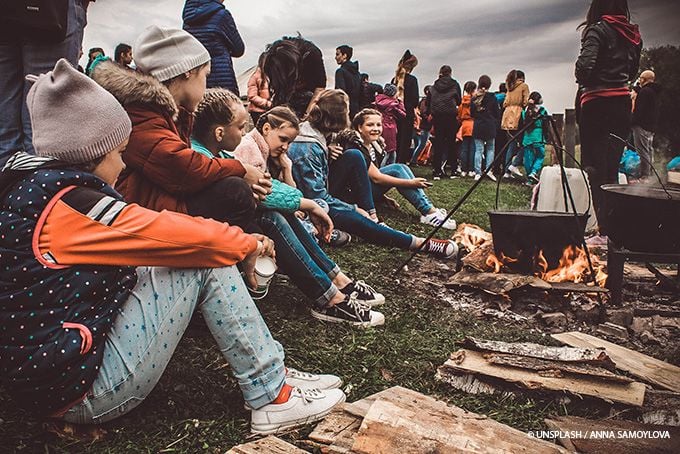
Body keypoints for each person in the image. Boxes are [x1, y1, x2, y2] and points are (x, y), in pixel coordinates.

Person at [0, 58, 345, 434]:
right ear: (92, 154)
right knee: (203, 259)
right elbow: (169, 235)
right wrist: (244, 244)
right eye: (119, 154)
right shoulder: (75, 206)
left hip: (54, 371)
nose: (121, 166)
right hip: (82, 391)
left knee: (196, 252)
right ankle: (271, 392)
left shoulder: (41, 190)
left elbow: (159, 231)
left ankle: (271, 370)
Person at [186, 101, 384, 326]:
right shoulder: (214, 154)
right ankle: (331, 297)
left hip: (223, 226)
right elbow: (262, 192)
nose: (245, 133)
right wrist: (309, 205)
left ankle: (336, 282)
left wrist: (304, 199)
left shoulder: (219, 153)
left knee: (280, 214)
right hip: (212, 234)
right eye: (241, 127)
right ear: (220, 132)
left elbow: (268, 187)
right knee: (273, 218)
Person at [92, 26, 270, 233]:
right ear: (188, 72)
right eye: (205, 75)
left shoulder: (163, 112)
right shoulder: (140, 113)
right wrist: (241, 170)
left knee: (240, 196)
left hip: (155, 204)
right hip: (142, 214)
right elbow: (183, 169)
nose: (206, 84)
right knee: (234, 191)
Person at [288, 89, 459, 259]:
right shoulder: (307, 149)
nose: (349, 114)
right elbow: (317, 198)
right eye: (347, 112)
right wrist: (354, 209)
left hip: (324, 192)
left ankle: (375, 216)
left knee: (357, 158)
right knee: (360, 222)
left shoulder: (322, 134)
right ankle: (420, 243)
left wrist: (327, 149)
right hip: (313, 204)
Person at [575, 0, 641, 240]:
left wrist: (585, 78)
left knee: (593, 166)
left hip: (597, 103)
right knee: (611, 169)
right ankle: (611, 230)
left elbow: (584, 68)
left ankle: (603, 230)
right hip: (622, 105)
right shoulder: (632, 34)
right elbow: (633, 71)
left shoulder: (597, 30)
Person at [0, 0, 89, 165]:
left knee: (4, 133)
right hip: (53, 10)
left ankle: (8, 185)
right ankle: (38, 186)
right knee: (44, 134)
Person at [339, 108, 456, 230]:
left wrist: (382, 198)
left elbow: (366, 178)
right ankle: (429, 212)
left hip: (363, 191)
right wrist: (410, 183)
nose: (375, 128)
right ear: (359, 127)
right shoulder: (355, 145)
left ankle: (429, 210)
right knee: (396, 170)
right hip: (352, 196)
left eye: (379, 124)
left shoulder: (374, 145)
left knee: (401, 167)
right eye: (370, 125)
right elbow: (376, 178)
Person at [182, 0, 245, 95]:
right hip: (222, 82)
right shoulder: (222, 15)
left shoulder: (188, 19)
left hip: (197, 83)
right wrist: (223, 50)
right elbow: (239, 50)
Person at [263, 35, 327, 118]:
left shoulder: (312, 54)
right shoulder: (273, 56)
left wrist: (306, 116)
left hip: (309, 98)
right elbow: (277, 90)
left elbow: (320, 87)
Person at [429, 65, 462, 180]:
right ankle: (453, 170)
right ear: (450, 73)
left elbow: (429, 100)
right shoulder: (454, 84)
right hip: (450, 115)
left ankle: (437, 171)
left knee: (438, 143)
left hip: (437, 116)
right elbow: (459, 100)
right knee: (451, 143)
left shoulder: (434, 86)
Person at [631, 70, 661, 179]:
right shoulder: (654, 92)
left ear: (644, 79)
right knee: (648, 150)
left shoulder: (644, 92)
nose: (639, 80)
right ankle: (651, 174)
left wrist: (631, 121)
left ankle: (645, 175)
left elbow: (639, 110)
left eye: (641, 78)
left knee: (642, 151)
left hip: (641, 125)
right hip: (651, 126)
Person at [470, 75, 500, 181]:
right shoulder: (492, 97)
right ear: (489, 85)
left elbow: (472, 113)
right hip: (490, 125)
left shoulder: (474, 98)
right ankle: (489, 170)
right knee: (490, 149)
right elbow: (497, 113)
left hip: (478, 125)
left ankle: (477, 172)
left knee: (478, 150)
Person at [392, 50, 420, 163]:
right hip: (407, 112)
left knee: (396, 139)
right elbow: (415, 100)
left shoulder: (394, 80)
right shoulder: (412, 80)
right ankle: (402, 161)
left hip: (395, 112)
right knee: (405, 139)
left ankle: (393, 160)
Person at [501, 69, 530, 178]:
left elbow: (505, 103)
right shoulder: (524, 86)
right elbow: (525, 101)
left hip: (507, 115)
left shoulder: (509, 87)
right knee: (523, 143)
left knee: (510, 144)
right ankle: (514, 164)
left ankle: (507, 171)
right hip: (517, 115)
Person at [520, 91, 549, 184]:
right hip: (538, 137)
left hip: (527, 138)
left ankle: (529, 180)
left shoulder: (525, 111)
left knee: (528, 159)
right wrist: (547, 136)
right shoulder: (542, 111)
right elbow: (546, 125)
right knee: (540, 156)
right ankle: (534, 172)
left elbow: (522, 124)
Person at [374, 84, 406, 166]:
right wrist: (400, 102)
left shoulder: (378, 100)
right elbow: (403, 115)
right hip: (390, 127)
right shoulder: (394, 104)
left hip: (380, 125)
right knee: (390, 151)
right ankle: (388, 170)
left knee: (382, 149)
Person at [334, 45, 362, 118]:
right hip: (357, 109)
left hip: (345, 110)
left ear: (344, 55)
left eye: (337, 54)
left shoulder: (340, 72)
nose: (335, 57)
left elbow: (340, 93)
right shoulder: (357, 73)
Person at [458, 81, 477, 177]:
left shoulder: (462, 102)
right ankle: (471, 169)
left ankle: (463, 169)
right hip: (473, 124)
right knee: (473, 148)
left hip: (464, 125)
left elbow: (459, 115)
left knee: (464, 148)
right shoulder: (475, 101)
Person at [410, 85, 433, 165]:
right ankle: (414, 160)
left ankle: (415, 159)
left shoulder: (425, 101)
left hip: (425, 125)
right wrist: (428, 118)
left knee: (421, 144)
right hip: (425, 126)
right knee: (422, 144)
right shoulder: (425, 101)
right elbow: (423, 112)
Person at [247, 52, 273, 124]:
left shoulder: (269, 76)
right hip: (257, 112)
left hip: (268, 110)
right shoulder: (255, 77)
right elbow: (252, 96)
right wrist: (267, 104)